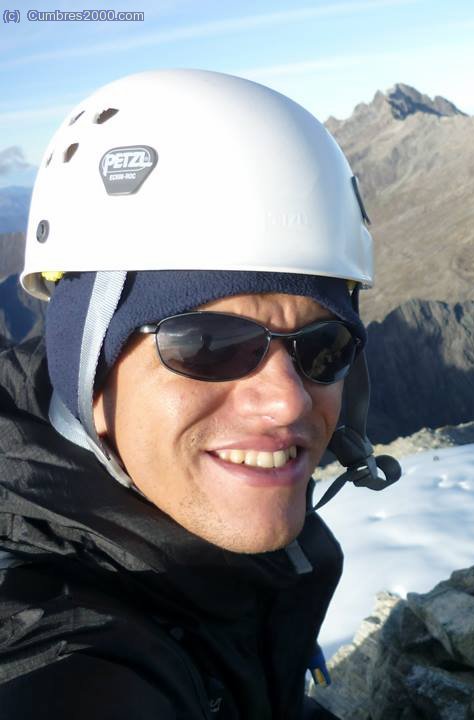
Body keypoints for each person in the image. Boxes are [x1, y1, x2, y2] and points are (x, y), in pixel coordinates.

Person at [0, 68, 400, 718]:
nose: (289, 401)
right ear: (88, 366)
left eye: (322, 346)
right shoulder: (58, 647)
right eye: (209, 345)